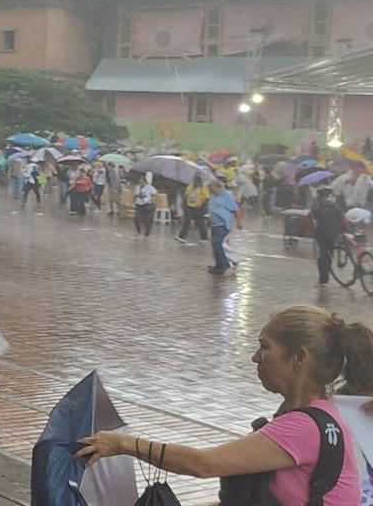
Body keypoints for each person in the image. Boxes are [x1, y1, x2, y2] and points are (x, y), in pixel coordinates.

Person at [77, 306, 369, 505]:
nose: (256, 357)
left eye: (265, 347)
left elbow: (204, 464)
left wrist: (123, 444)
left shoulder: (304, 427)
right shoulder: (321, 414)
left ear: (299, 358)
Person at [207, 178, 243, 276]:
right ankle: (218, 265)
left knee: (217, 243)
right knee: (215, 245)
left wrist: (239, 222)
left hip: (223, 224)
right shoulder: (213, 196)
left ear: (218, 187)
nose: (210, 190)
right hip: (215, 224)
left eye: (211, 188)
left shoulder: (227, 196)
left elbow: (236, 209)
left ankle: (224, 264)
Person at [312, 189, 344, 286]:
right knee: (330, 253)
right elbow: (341, 217)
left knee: (321, 256)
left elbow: (314, 216)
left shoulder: (318, 206)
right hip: (333, 234)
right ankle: (327, 271)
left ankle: (323, 279)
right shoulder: (335, 206)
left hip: (321, 234)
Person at [176, 175, 210, 244]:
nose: (196, 182)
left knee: (200, 222)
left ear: (200, 181)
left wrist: (203, 205)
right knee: (187, 221)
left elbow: (207, 198)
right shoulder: (190, 187)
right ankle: (181, 237)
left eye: (198, 181)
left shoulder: (203, 188)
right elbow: (186, 195)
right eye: (195, 180)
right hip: (189, 206)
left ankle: (204, 237)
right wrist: (183, 203)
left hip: (199, 207)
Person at [133, 172, 158, 237]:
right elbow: (135, 195)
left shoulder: (150, 187)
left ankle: (147, 232)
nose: (140, 183)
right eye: (139, 182)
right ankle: (138, 231)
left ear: (145, 182)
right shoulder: (137, 187)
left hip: (147, 206)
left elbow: (155, 194)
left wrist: (151, 200)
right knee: (136, 219)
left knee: (147, 221)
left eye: (142, 182)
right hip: (139, 205)